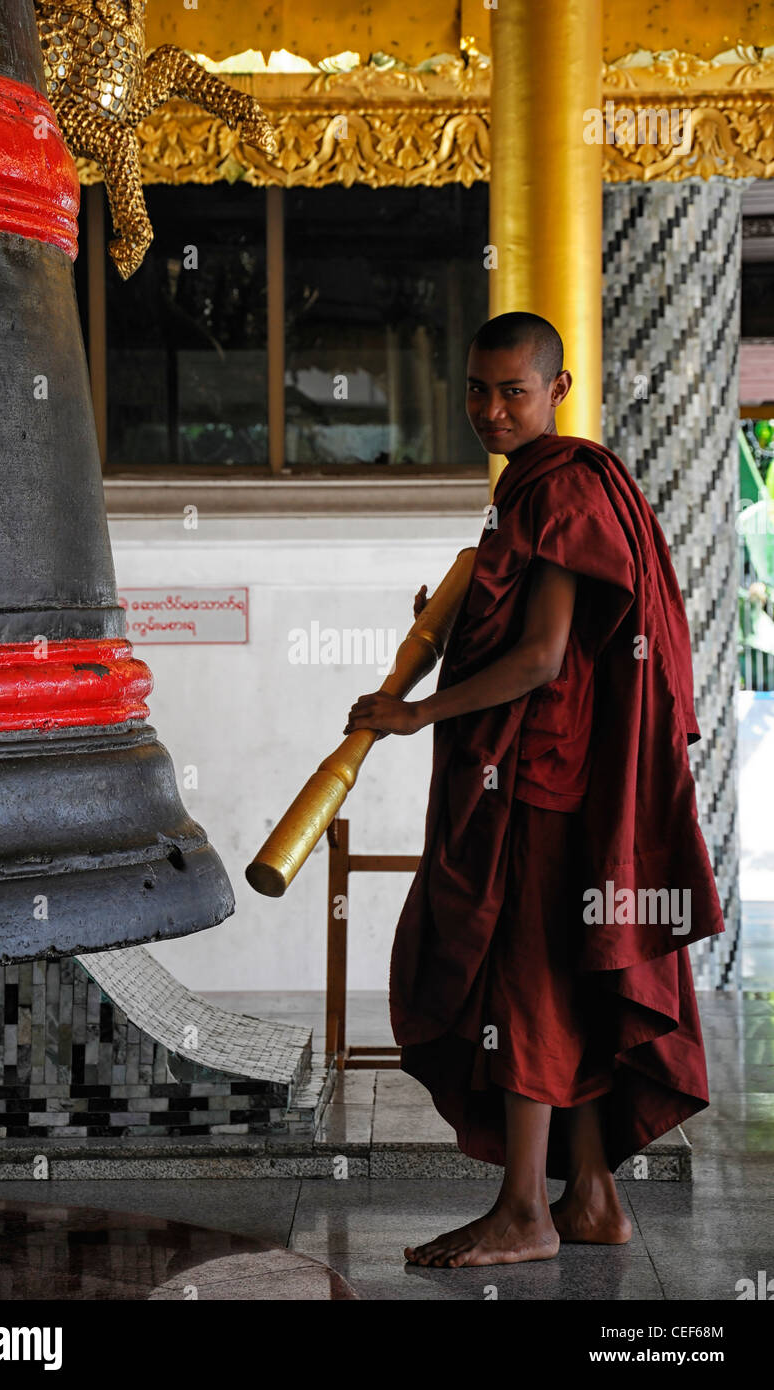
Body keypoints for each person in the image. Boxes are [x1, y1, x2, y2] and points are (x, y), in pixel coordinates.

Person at [344, 312, 725, 1268]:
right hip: (555, 775)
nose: (490, 409)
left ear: (556, 390)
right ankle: (590, 1194)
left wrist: (420, 714)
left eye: (513, 390)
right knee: (566, 974)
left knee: (523, 983)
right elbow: (517, 630)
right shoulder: (536, 489)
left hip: (541, 778)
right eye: (477, 389)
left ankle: (522, 1209)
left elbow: (541, 659)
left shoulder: (561, 491)